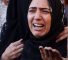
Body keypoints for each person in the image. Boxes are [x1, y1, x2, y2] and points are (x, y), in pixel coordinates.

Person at [0, 0, 67, 60]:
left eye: (45, 11)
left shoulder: (65, 43)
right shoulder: (17, 50)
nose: (37, 17)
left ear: (55, 15)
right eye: (32, 10)